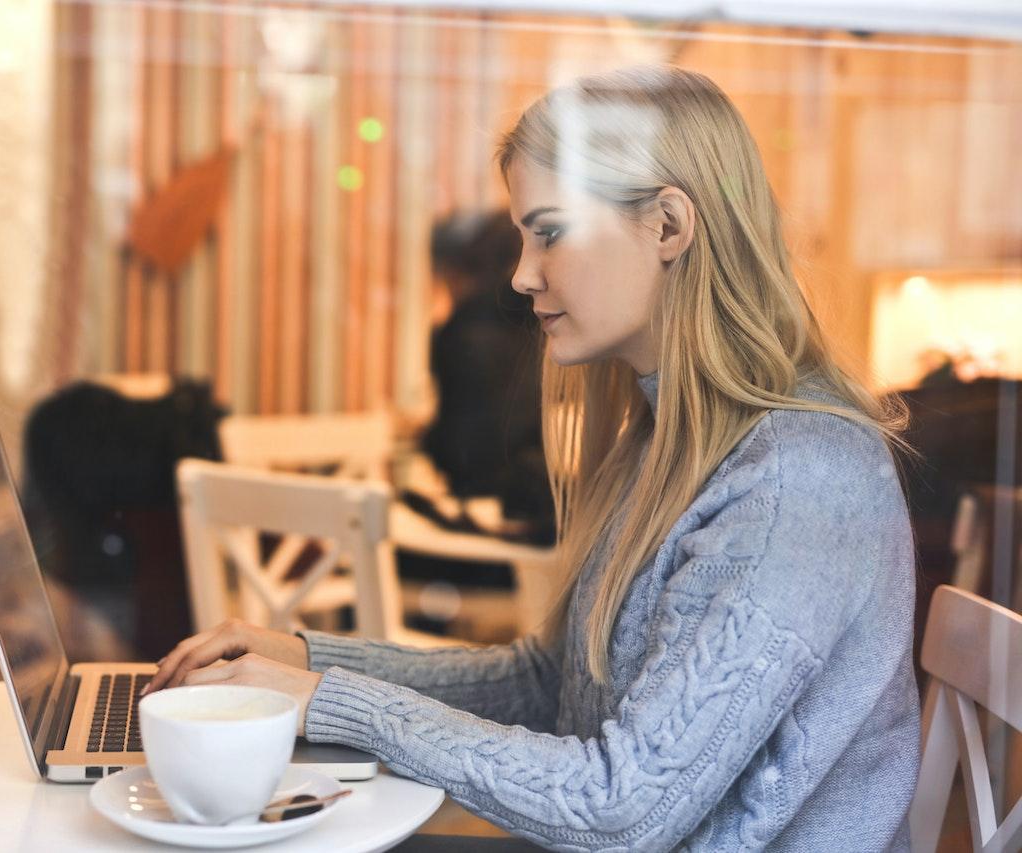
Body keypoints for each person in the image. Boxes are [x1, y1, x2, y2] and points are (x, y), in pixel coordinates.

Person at [143, 65, 921, 851]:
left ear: (669, 226)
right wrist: (309, 662)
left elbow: (621, 808)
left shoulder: (796, 477)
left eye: (549, 231)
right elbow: (552, 684)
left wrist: (330, 702)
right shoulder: (666, 437)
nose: (521, 274)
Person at [416, 208, 554, 544]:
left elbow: (461, 451)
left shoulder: (459, 333)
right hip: (534, 516)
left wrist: (424, 439)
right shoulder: (538, 328)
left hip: (482, 528)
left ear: (455, 271)